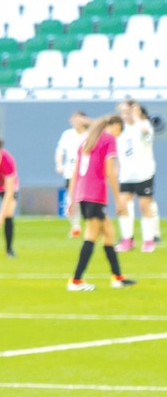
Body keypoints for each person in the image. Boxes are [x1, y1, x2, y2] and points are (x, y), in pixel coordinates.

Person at [66, 115, 136, 290]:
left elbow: (75, 172)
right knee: (91, 235)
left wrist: (71, 198)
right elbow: (110, 171)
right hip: (95, 194)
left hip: (83, 194)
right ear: (114, 126)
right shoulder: (108, 139)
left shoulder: (87, 140)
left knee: (109, 232)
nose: (118, 134)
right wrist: (118, 199)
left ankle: (118, 277)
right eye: (119, 130)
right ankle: (76, 281)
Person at [115, 98, 158, 253]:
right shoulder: (120, 129)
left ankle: (148, 240)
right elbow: (120, 153)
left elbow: (147, 134)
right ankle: (127, 239)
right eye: (122, 111)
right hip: (126, 175)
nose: (124, 114)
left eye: (128, 111)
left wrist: (138, 117)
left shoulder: (143, 125)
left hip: (144, 174)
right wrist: (116, 170)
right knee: (123, 206)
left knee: (144, 207)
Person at [56, 111, 90, 238]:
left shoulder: (89, 135)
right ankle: (75, 227)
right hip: (70, 172)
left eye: (78, 118)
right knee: (71, 199)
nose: (75, 121)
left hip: (86, 172)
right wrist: (59, 164)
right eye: (73, 118)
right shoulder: (67, 134)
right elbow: (60, 151)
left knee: (86, 200)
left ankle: (90, 226)